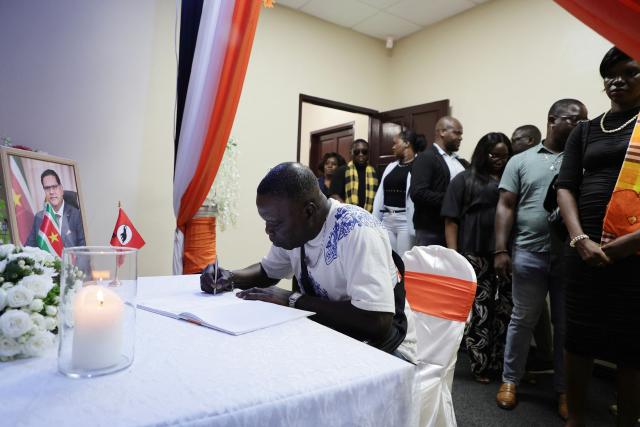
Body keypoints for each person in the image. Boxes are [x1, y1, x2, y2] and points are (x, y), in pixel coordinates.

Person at [201, 162, 417, 362]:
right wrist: (229, 277)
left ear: (309, 211)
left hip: (389, 351)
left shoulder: (357, 230)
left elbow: (376, 321)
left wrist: (292, 299)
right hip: (334, 334)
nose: (268, 230)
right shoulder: (297, 230)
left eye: (274, 223)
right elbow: (268, 272)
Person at [557, 47, 640, 427]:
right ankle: (575, 418)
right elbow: (566, 186)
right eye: (610, 73)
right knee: (579, 338)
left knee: (631, 346)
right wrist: (579, 239)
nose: (618, 79)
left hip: (635, 256)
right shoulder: (586, 129)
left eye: (630, 72)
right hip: (585, 251)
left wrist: (626, 244)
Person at [494, 99, 588, 419]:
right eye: (574, 120)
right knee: (523, 320)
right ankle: (510, 381)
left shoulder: (583, 160)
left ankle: (564, 390)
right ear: (552, 120)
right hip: (528, 252)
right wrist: (501, 249)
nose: (580, 126)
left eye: (584, 121)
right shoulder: (521, 160)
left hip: (570, 256)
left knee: (565, 325)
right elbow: (506, 205)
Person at [441, 132, 513, 384]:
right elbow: (451, 219)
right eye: (494, 155)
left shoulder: (511, 177)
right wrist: (454, 255)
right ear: (483, 154)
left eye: (505, 156)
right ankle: (480, 364)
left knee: (505, 308)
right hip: (474, 252)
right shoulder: (464, 179)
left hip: (506, 252)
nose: (500, 161)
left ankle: (501, 363)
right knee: (481, 310)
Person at [409, 116, 469, 246]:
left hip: (458, 228)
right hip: (432, 229)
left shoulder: (460, 162)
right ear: (442, 132)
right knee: (429, 266)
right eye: (456, 133)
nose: (460, 137)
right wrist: (452, 201)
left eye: (461, 134)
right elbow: (418, 193)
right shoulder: (426, 158)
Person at [372, 129, 425, 255]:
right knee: (389, 259)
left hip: (405, 221)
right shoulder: (391, 166)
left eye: (396, 143)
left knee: (404, 260)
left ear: (406, 143)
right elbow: (380, 195)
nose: (393, 147)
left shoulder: (419, 165)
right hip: (386, 219)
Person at [25, 169, 85, 248]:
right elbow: (29, 248)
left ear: (61, 189)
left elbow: (84, 252)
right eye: (47, 188)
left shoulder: (77, 215)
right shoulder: (39, 217)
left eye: (54, 187)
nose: (51, 192)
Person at [329, 139, 379, 213]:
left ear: (368, 154)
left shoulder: (376, 172)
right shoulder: (341, 171)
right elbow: (334, 195)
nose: (361, 154)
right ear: (351, 153)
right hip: (348, 215)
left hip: (370, 216)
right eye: (356, 152)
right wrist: (349, 211)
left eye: (364, 152)